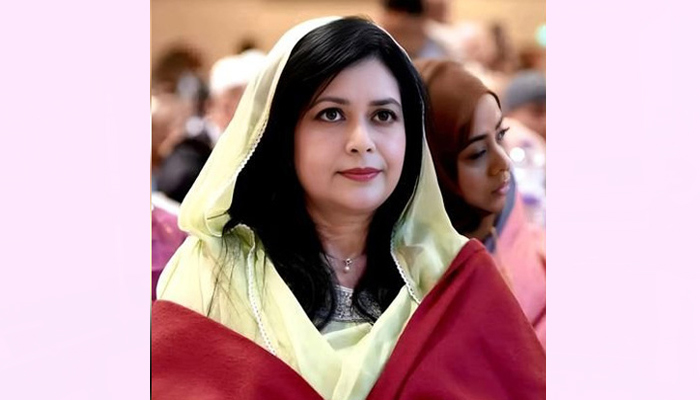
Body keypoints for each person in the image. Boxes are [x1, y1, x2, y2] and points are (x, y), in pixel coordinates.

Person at [152, 16, 545, 400]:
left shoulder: (451, 275)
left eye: (383, 116)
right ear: (284, 132)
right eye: (332, 114)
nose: (362, 141)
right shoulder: (211, 271)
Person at [414, 58, 546, 347]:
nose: (504, 162)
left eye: (501, 136)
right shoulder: (413, 284)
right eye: (477, 153)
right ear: (432, 166)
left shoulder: (515, 223)